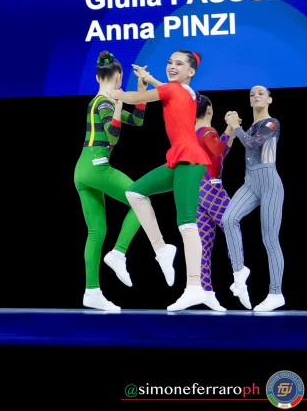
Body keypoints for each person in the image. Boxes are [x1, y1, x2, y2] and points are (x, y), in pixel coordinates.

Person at [112, 49, 221, 311]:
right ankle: (162, 250)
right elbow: (168, 89)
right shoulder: (189, 92)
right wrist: (149, 78)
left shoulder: (173, 89)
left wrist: (112, 92)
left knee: (187, 223)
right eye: (170, 62)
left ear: (191, 71)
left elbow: (136, 98)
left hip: (189, 160)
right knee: (135, 192)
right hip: (180, 159)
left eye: (179, 64)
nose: (172, 66)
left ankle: (194, 287)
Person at [73, 50, 148, 311]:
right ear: (119, 77)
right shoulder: (105, 104)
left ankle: (91, 291)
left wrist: (140, 91)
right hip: (97, 167)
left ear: (97, 77)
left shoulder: (97, 101)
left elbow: (136, 121)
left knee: (97, 231)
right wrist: (118, 103)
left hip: (82, 170)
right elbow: (113, 135)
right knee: (142, 201)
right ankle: (118, 253)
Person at [222, 86, 285, 312]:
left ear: (269, 99)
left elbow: (251, 144)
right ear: (250, 102)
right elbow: (246, 144)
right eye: (252, 94)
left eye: (260, 93)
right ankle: (239, 272)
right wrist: (233, 128)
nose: (256, 96)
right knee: (228, 219)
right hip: (250, 182)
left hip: (269, 183)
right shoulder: (250, 127)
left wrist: (236, 126)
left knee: (270, 239)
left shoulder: (272, 123)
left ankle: (276, 293)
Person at [194, 94, 234, 308]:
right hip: (211, 187)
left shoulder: (192, 133)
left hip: (195, 190)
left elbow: (218, 155)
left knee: (204, 242)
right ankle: (239, 275)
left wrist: (231, 131)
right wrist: (229, 128)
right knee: (232, 225)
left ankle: (206, 291)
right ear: (209, 110)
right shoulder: (208, 131)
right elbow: (218, 149)